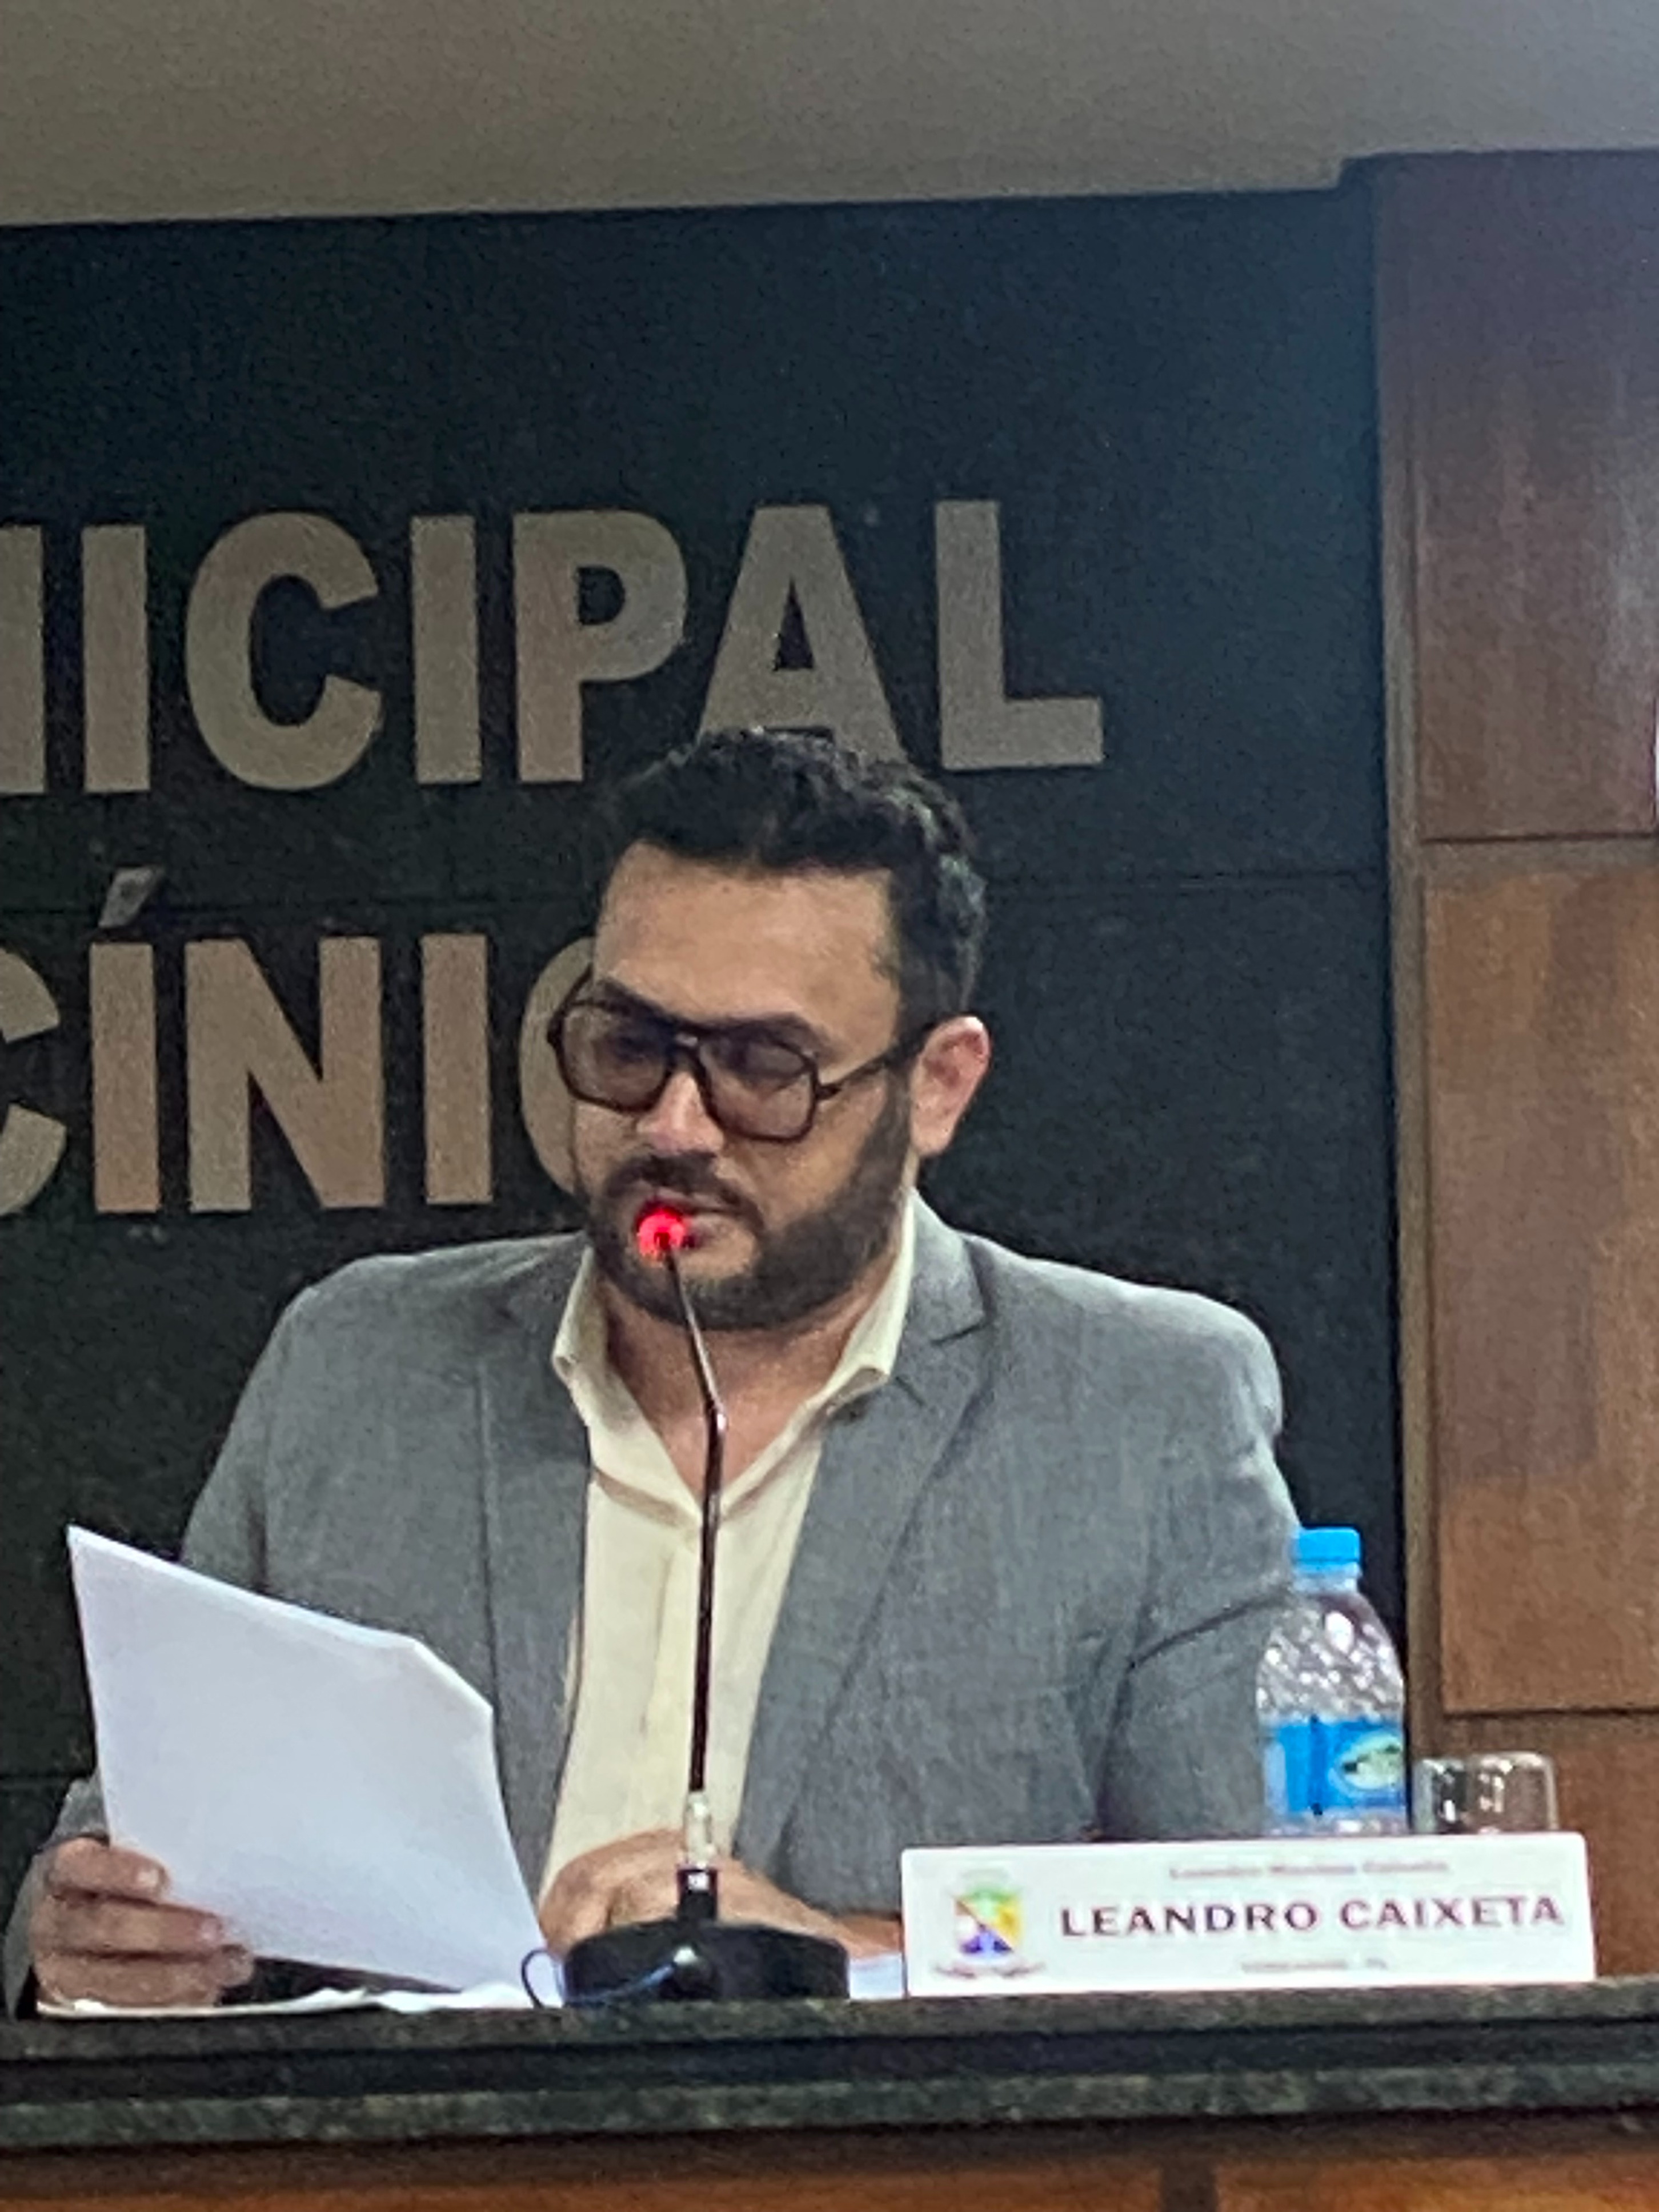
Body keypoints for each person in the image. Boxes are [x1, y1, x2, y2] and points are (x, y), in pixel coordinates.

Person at [7, 727, 1296, 2014]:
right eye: (628, 1048)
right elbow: (128, 1853)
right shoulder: (360, 1366)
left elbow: (1273, 1937)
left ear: (937, 1087)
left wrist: (838, 1958)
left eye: (763, 1070)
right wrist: (94, 1942)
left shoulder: (1141, 1409)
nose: (675, 1126)